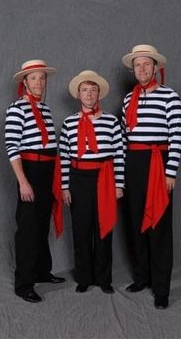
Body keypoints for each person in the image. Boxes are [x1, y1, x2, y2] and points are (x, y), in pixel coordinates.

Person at [121, 45, 181, 309]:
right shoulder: (128, 100)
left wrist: (171, 171)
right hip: (134, 162)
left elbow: (177, 134)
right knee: (137, 221)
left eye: (147, 64)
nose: (142, 69)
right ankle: (142, 277)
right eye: (138, 65)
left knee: (158, 224)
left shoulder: (170, 96)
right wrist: (122, 175)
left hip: (158, 163)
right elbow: (125, 139)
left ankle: (161, 289)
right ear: (134, 69)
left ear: (156, 67)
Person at [5, 59, 65, 303]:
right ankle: (23, 284)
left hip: (48, 170)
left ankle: (41, 271)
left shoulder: (45, 109)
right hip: (30, 170)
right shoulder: (16, 109)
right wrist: (23, 181)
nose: (39, 82)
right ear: (25, 83)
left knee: (42, 224)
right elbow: (12, 147)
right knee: (28, 228)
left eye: (42, 78)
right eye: (34, 78)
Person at [59, 70, 124, 294]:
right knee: (81, 228)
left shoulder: (112, 122)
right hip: (79, 178)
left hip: (104, 177)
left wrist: (119, 184)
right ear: (79, 95)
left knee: (103, 227)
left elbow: (119, 155)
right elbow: (65, 157)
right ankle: (84, 277)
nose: (89, 94)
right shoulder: (68, 123)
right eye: (85, 90)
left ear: (99, 95)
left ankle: (104, 278)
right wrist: (65, 187)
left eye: (93, 90)